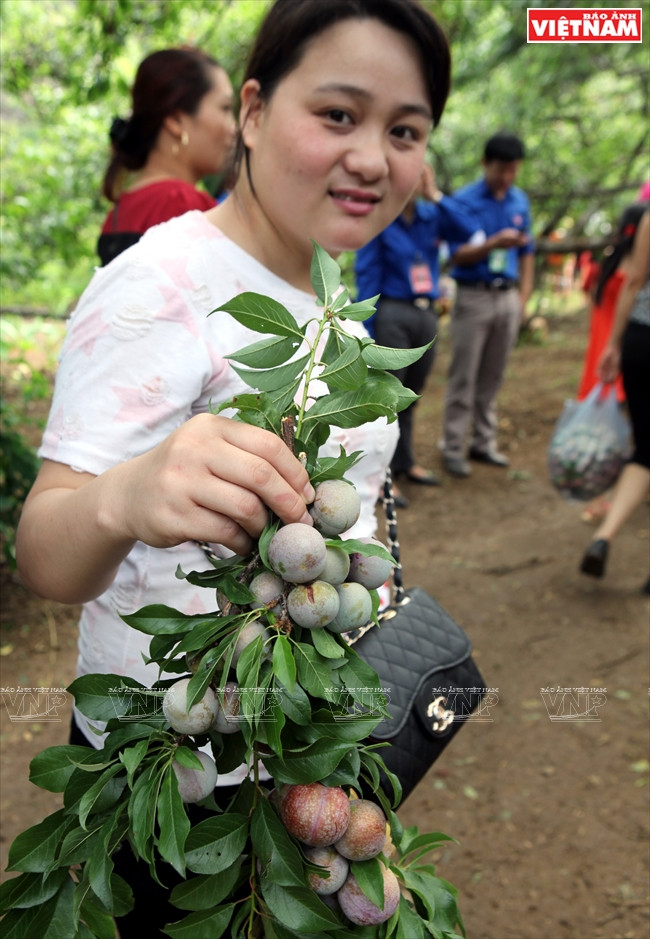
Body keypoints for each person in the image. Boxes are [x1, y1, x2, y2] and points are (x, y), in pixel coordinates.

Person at [16, 0, 451, 933]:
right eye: (338, 114)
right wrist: (124, 495)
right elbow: (44, 555)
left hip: (308, 762)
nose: (374, 157)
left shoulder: (334, 292)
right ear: (251, 113)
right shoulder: (159, 284)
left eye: (405, 130)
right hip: (171, 772)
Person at [355, 162, 479, 493]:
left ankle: (405, 462)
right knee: (388, 399)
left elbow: (471, 231)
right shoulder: (380, 220)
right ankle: (381, 476)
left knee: (410, 397)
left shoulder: (432, 215)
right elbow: (367, 276)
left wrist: (435, 194)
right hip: (392, 313)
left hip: (426, 313)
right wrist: (364, 332)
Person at [440, 132, 535, 478]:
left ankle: (483, 441)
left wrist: (523, 299)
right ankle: (452, 446)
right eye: (501, 170)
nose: (507, 177)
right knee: (464, 375)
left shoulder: (519, 201)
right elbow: (455, 256)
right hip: (473, 296)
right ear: (485, 164)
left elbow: (527, 253)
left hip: (507, 296)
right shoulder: (463, 201)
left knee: (494, 374)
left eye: (513, 170)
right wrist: (493, 243)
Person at [97, 46, 236, 266]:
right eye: (225, 108)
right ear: (176, 121)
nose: (233, 128)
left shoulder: (118, 212)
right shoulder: (185, 206)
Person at [580, 208, 650, 590]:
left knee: (645, 451)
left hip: (643, 337)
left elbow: (636, 278)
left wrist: (614, 342)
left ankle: (604, 535)